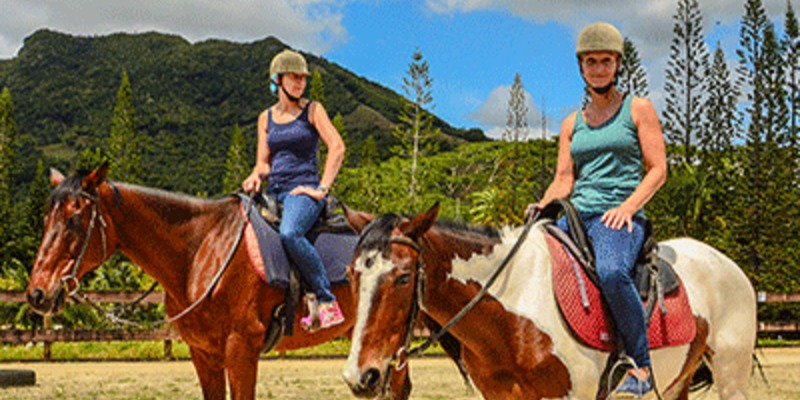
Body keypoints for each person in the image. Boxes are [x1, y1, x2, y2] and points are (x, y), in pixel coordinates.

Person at [527, 22, 667, 398]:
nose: (599, 68)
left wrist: (628, 207)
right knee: (526, 261)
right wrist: (541, 208)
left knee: (611, 271)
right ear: (581, 67)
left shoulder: (637, 109)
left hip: (618, 217)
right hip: (576, 214)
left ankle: (640, 366)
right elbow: (563, 180)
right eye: (591, 62)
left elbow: (658, 169)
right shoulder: (573, 123)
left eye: (606, 61)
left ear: (618, 65)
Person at [242, 49, 346, 330]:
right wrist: (254, 177)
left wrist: (321, 189)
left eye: (303, 78)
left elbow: (337, 148)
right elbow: (263, 163)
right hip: (273, 191)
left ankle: (326, 301)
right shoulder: (266, 118)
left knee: (290, 233)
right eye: (294, 77)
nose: (300, 83)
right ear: (278, 80)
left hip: (303, 191)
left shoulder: (313, 110)